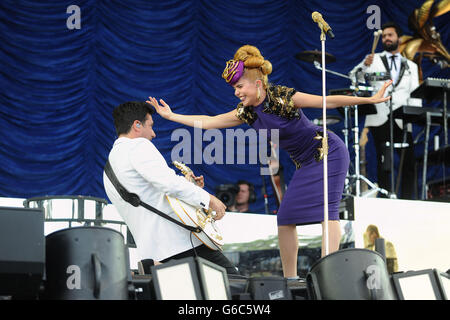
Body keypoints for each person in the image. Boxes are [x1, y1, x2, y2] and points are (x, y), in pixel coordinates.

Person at [147, 45, 393, 279]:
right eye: (234, 88)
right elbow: (209, 121)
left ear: (257, 84)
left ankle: (329, 272)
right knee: (285, 217)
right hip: (306, 163)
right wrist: (172, 116)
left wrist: (370, 101)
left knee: (327, 213)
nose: (236, 92)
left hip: (328, 151)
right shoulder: (248, 112)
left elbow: (326, 101)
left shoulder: (281, 97)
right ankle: (291, 279)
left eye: (240, 86)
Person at [103, 101, 238, 274]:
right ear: (137, 125)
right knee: (235, 286)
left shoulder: (110, 166)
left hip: (153, 252)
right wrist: (208, 199)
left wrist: (189, 186)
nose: (153, 134)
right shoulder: (137, 146)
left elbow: (148, 196)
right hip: (181, 243)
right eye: (150, 126)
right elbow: (168, 183)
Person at [350, 22, 422, 199]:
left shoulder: (411, 65)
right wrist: (364, 67)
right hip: (380, 116)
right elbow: (354, 77)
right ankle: (385, 198)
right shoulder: (373, 59)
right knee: (384, 161)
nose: (386, 38)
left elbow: (415, 92)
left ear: (398, 38)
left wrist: (415, 116)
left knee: (408, 161)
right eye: (384, 36)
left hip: (403, 118)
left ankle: (407, 200)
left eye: (390, 35)